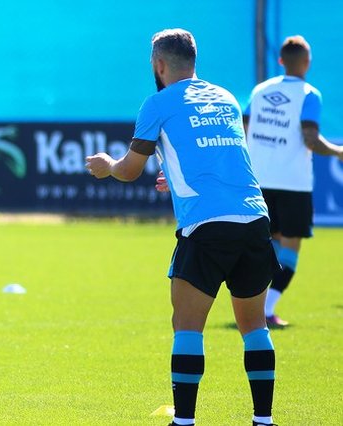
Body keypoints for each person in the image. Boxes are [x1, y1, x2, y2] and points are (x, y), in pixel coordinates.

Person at [86, 29, 279, 426]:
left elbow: (129, 169)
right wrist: (172, 177)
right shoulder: (225, 98)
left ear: (158, 65)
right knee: (254, 325)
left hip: (206, 225)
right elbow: (219, 155)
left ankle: (184, 421)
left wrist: (107, 166)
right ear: (194, 60)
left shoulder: (158, 103)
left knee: (187, 326)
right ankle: (263, 420)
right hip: (254, 217)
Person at [243, 35, 343, 327]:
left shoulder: (260, 90)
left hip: (259, 180)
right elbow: (310, 139)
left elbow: (244, 131)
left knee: (269, 246)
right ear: (307, 62)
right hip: (292, 182)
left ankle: (257, 308)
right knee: (290, 247)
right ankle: (267, 310)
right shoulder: (309, 94)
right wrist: (338, 151)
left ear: (280, 61)